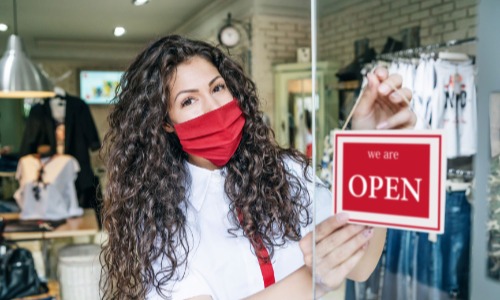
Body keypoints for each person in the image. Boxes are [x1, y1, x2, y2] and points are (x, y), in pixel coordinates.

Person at [100, 35, 416, 299]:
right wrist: (312, 279)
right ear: (165, 123)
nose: (214, 107)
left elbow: (362, 266)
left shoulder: (286, 171)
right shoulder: (160, 218)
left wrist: (375, 144)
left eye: (217, 88)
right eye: (188, 101)